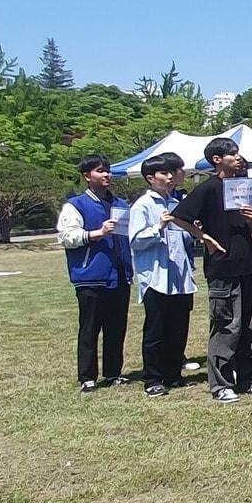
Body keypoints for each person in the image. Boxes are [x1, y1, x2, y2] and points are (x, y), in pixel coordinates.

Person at [170, 137, 252, 403]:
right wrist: (205, 238)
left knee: (251, 326)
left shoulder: (245, 188)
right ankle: (221, 384)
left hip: (249, 265)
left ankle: (249, 378)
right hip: (223, 268)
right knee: (227, 325)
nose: (238, 158)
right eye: (232, 154)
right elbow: (179, 216)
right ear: (218, 159)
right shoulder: (208, 189)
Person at [58, 153, 134, 392]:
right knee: (90, 329)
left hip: (119, 275)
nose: (106, 175)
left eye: (108, 170)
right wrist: (95, 234)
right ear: (86, 176)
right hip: (90, 276)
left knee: (116, 328)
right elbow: (65, 236)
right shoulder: (76, 204)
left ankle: (113, 373)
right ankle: (87, 377)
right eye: (100, 171)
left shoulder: (121, 204)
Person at [129, 153, 195, 397]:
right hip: (156, 277)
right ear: (150, 178)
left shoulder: (175, 203)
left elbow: (184, 238)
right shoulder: (143, 205)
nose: (170, 178)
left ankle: (173, 373)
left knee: (178, 328)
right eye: (164, 173)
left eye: (171, 173)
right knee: (156, 330)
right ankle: (153, 378)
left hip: (179, 276)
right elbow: (135, 241)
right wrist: (158, 227)